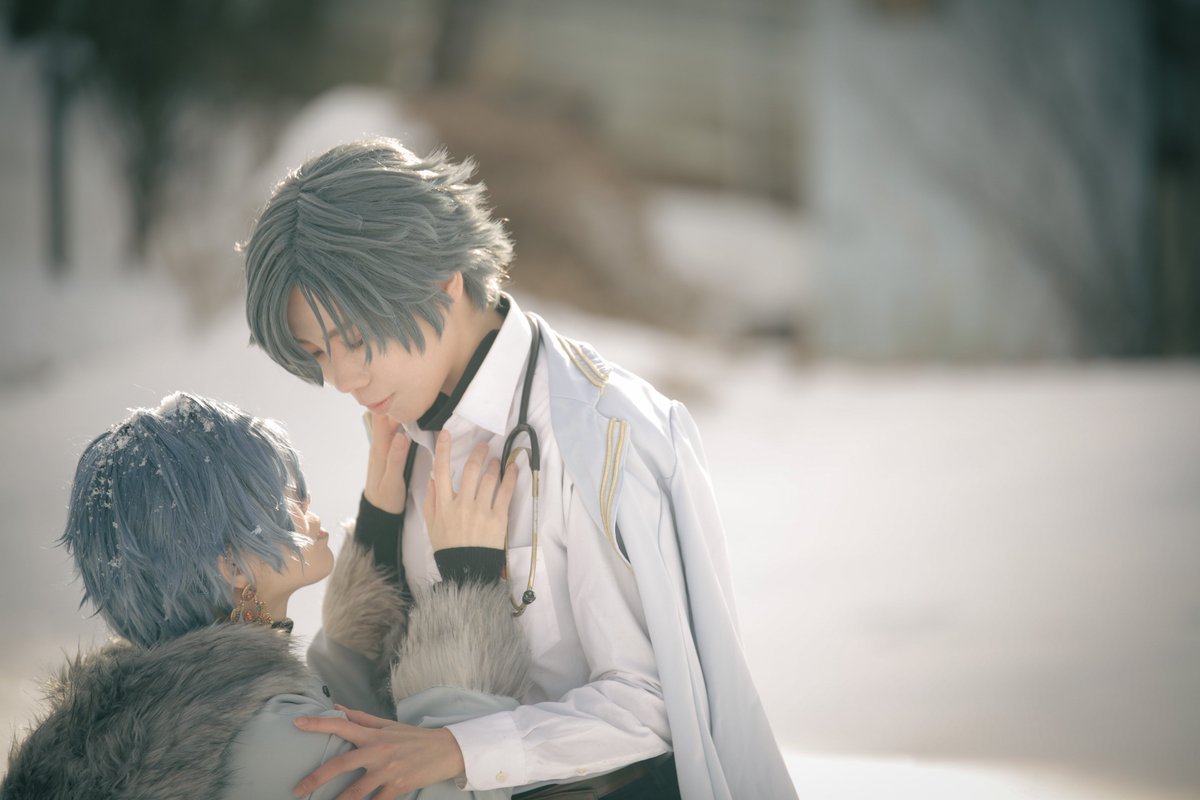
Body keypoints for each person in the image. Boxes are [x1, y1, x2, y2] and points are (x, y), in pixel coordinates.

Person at [242, 138, 797, 800]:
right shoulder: (402, 423)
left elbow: (654, 701)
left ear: (443, 283)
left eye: (355, 341)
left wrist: (460, 748)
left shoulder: (601, 432)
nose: (339, 378)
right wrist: (379, 534)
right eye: (316, 352)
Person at [0, 392, 528, 800]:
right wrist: (468, 576)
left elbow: (322, 709)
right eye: (282, 497)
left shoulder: (135, 719)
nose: (307, 502)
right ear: (230, 564)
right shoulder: (277, 738)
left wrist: (377, 526)